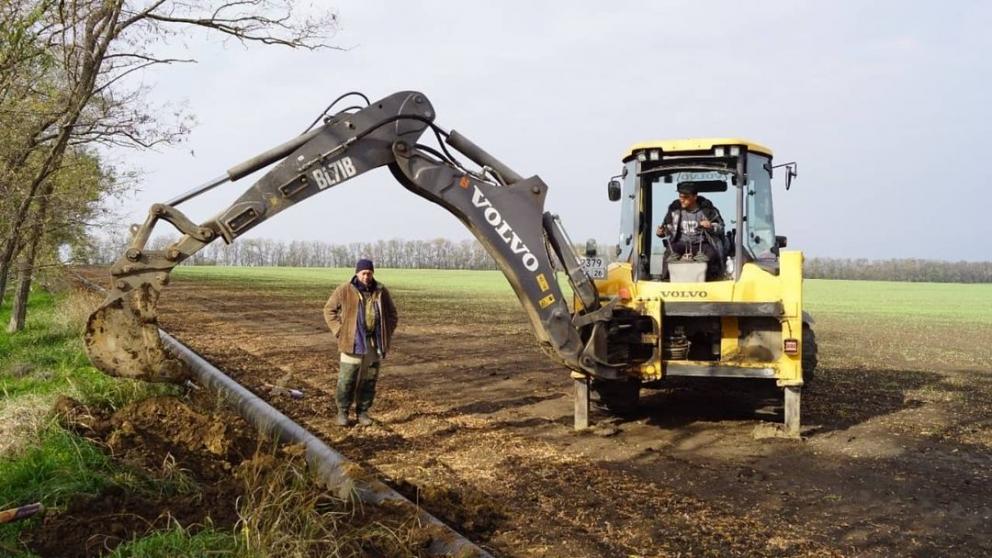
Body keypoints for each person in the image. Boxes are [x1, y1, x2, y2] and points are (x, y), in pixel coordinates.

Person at [323, 259, 398, 426]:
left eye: (369, 273)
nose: (366, 276)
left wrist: (386, 332)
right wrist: (339, 331)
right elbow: (329, 310)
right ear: (357, 273)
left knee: (369, 380)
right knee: (347, 379)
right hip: (351, 344)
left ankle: (363, 412)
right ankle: (342, 412)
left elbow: (393, 314)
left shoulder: (380, 291)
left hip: (373, 344)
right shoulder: (345, 290)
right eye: (363, 273)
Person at [656, 183, 726, 278]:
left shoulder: (708, 210)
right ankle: (665, 280)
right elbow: (667, 228)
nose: (682, 200)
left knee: (711, 255)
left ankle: (711, 281)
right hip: (681, 243)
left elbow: (721, 227)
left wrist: (711, 226)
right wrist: (661, 232)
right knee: (669, 254)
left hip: (702, 243)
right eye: (680, 197)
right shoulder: (674, 209)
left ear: (694, 197)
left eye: (685, 197)